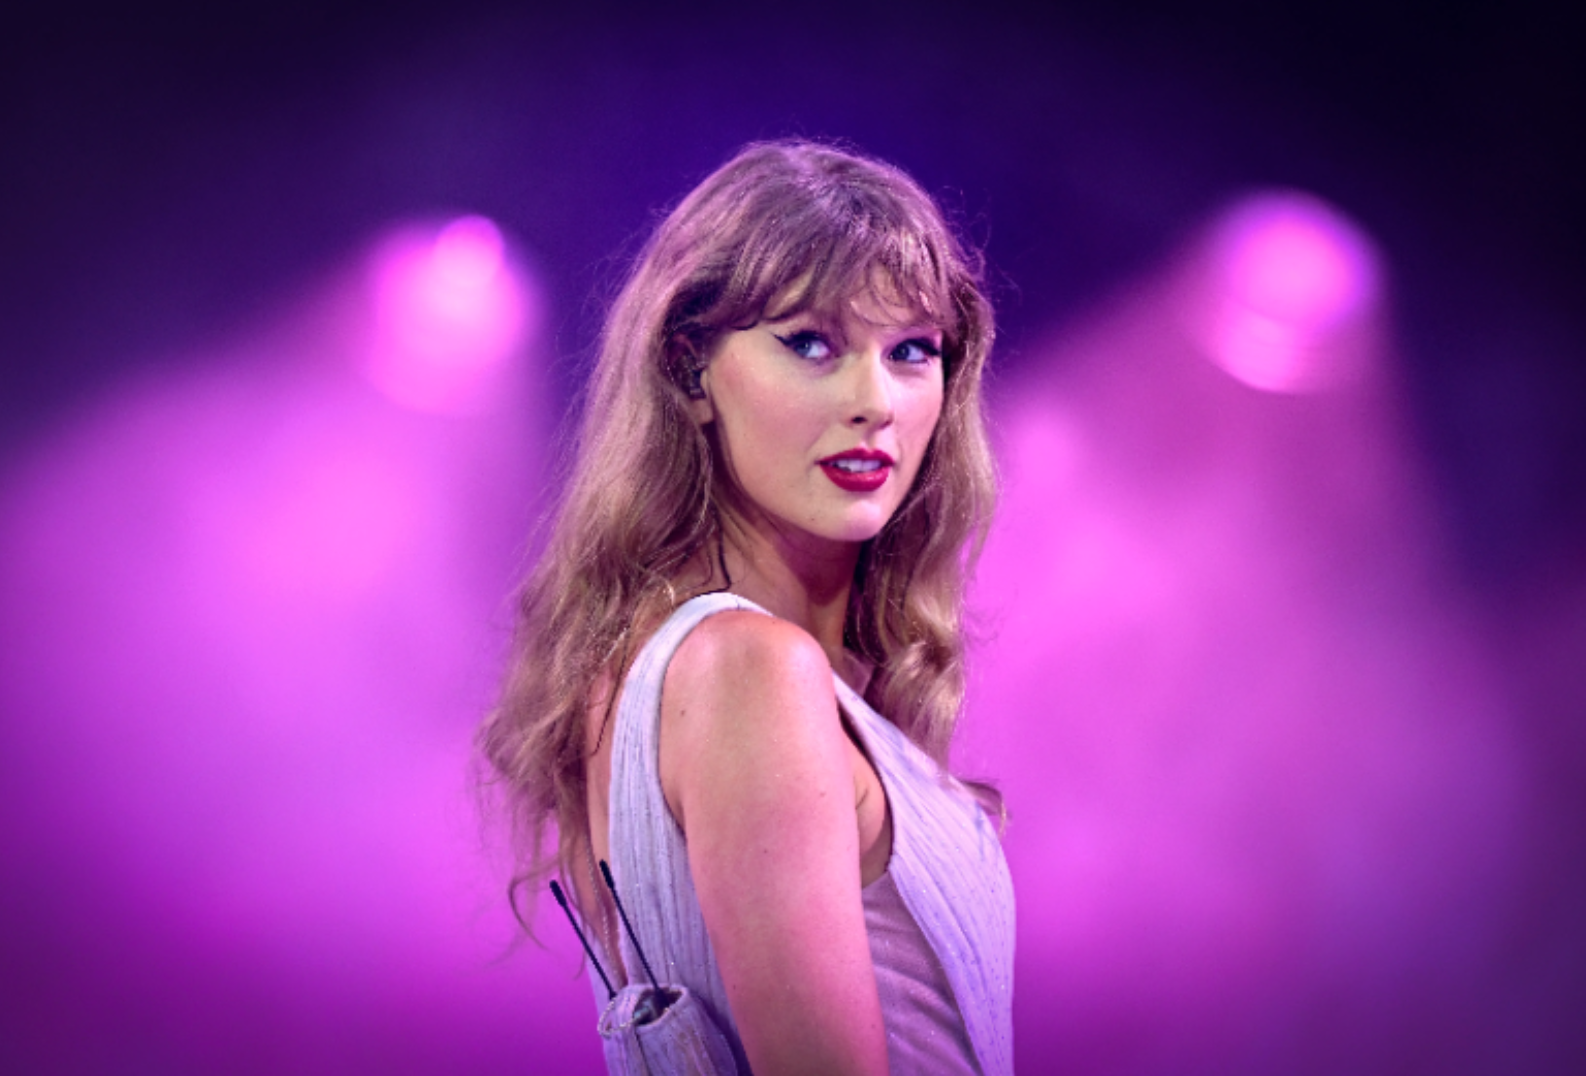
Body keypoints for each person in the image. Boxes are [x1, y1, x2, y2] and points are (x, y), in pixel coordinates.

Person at [478, 139, 1014, 1075]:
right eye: (811, 343)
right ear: (690, 371)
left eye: (911, 350)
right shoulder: (748, 670)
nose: (874, 401)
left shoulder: (664, 667)